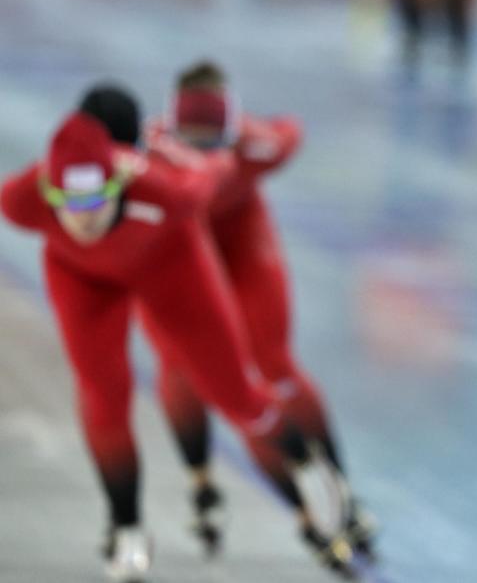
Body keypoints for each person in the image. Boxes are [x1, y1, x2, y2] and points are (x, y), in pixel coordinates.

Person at [0, 89, 353, 581]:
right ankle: (126, 527)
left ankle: (307, 462)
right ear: (48, 188)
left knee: (237, 396)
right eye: (66, 200)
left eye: (96, 198)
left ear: (122, 176)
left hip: (169, 265)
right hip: (82, 279)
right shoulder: (21, 199)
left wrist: (239, 141)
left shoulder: (171, 187)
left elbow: (221, 167)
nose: (81, 216)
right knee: (102, 395)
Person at [143, 61, 375, 557]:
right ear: (173, 129)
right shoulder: (151, 151)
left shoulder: (260, 144)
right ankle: (203, 483)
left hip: (245, 246)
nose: (205, 154)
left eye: (215, 144)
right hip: (181, 251)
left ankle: (338, 490)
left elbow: (293, 128)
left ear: (234, 132)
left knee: (271, 363)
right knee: (183, 368)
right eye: (194, 142)